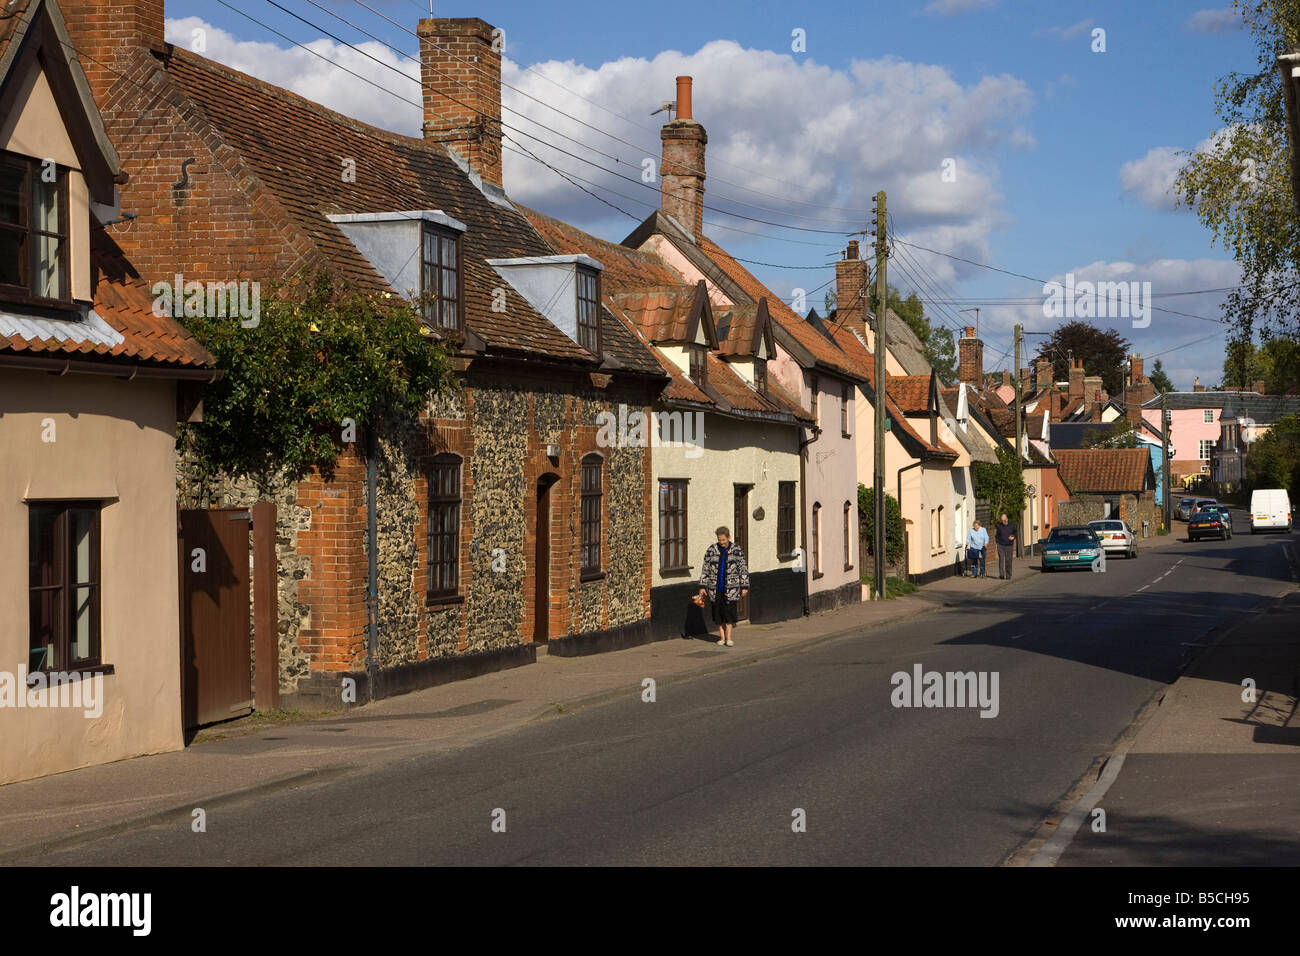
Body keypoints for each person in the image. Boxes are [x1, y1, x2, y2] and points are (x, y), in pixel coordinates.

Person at [698, 526, 750, 647]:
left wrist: (744, 586)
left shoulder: (736, 550)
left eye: (723, 540)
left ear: (728, 537)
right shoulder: (711, 550)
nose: (721, 542)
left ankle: (729, 638)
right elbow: (705, 568)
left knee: (729, 614)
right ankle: (721, 637)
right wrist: (702, 585)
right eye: (719, 540)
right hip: (714, 589)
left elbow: (743, 568)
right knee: (718, 614)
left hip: (731, 589)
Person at [995, 513, 1017, 579]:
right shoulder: (999, 526)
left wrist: (1013, 537)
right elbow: (997, 535)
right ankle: (1001, 575)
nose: (1003, 521)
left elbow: (1015, 532)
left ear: (1007, 519)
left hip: (1009, 545)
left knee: (1008, 560)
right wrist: (997, 543)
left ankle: (1008, 575)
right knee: (1001, 560)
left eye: (1004, 520)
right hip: (1000, 545)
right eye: (1002, 520)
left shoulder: (1012, 526)